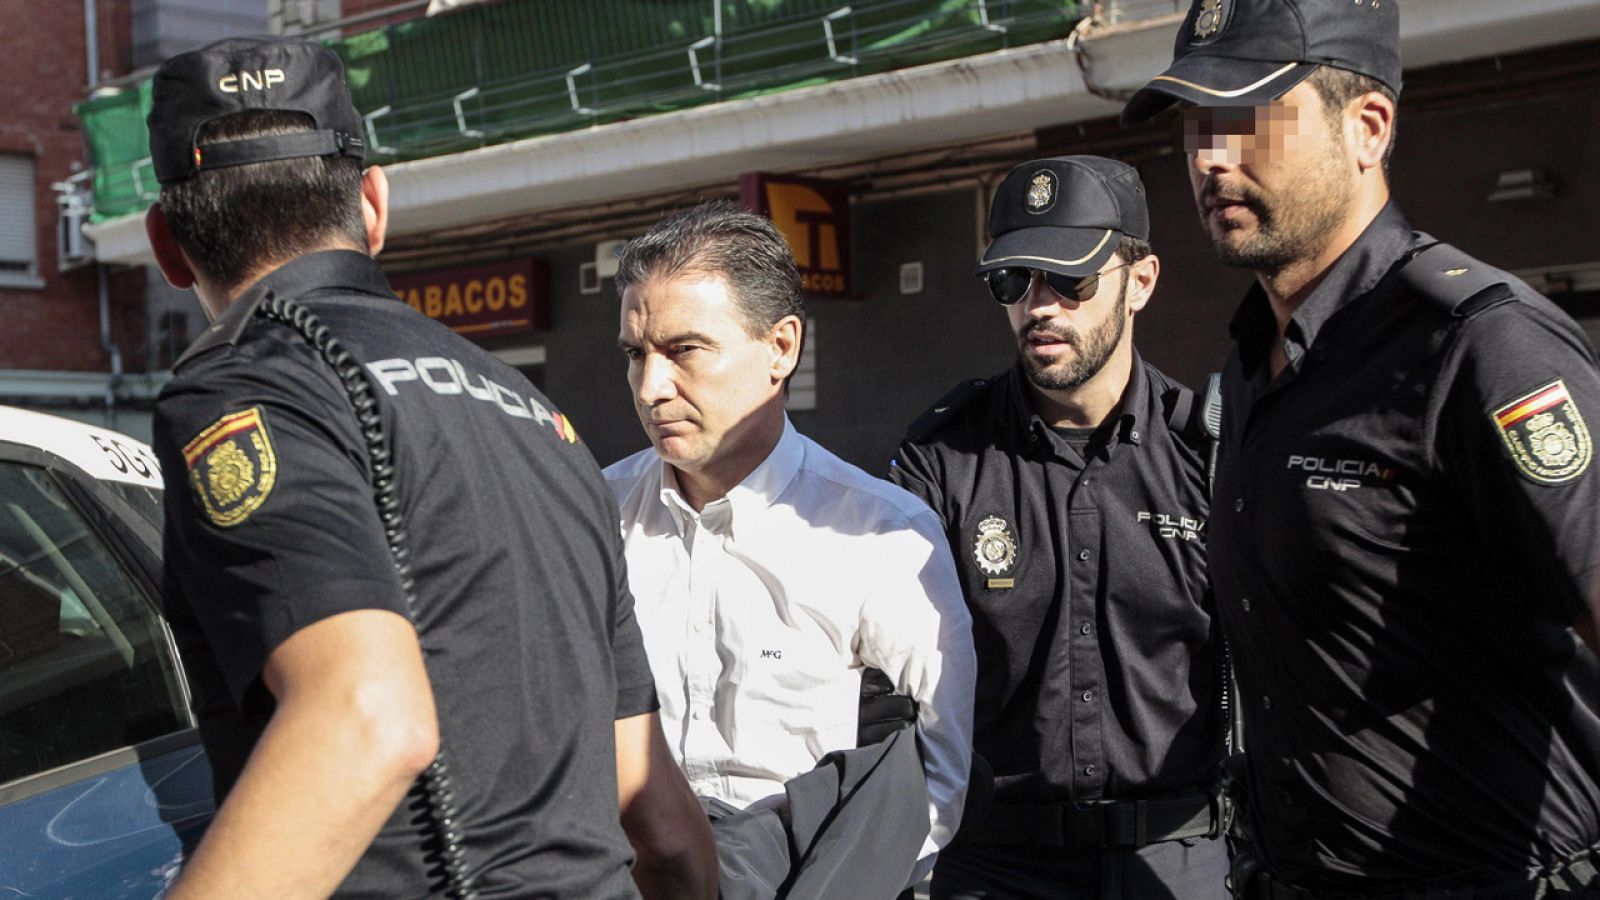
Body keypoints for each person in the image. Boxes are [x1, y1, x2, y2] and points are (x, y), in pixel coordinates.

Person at [143, 37, 716, 899]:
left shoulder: (246, 383)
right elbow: (662, 823)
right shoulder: (541, 421)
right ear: (373, 204)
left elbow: (366, 714)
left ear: (166, 245)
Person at [1123, 0, 1600, 896]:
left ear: (1367, 127)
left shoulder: (1474, 344)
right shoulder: (1242, 375)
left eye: (1250, 121)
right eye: (1196, 127)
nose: (1211, 159)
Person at [603, 200, 977, 892]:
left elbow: (936, 773)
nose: (652, 388)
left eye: (684, 350)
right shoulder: (592, 520)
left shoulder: (879, 534)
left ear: (781, 348)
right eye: (635, 355)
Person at [890, 156, 1229, 899]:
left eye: (1070, 279)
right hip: (994, 867)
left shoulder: (1209, 454)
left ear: (1140, 282)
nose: (1039, 305)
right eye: (1015, 282)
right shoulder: (943, 460)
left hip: (1178, 863)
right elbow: (887, 685)